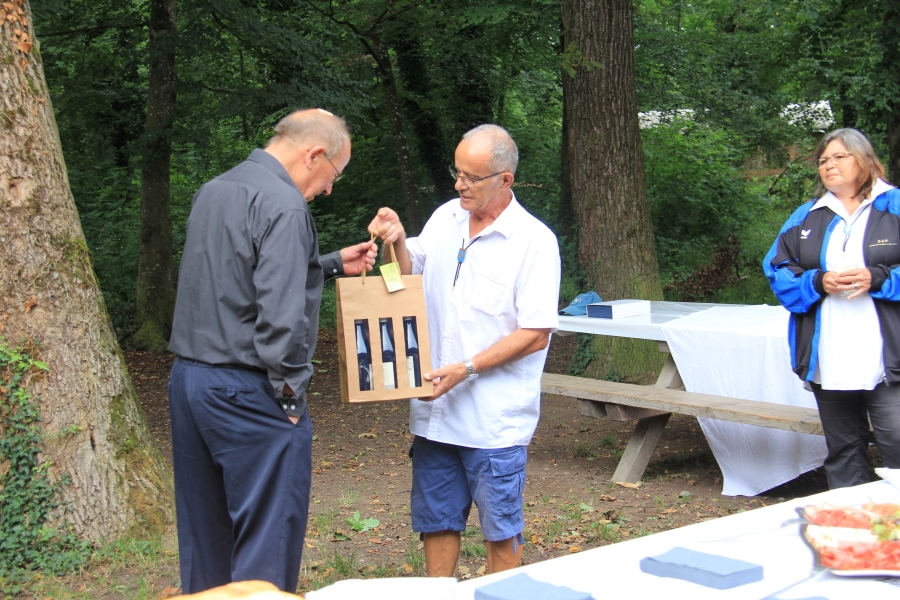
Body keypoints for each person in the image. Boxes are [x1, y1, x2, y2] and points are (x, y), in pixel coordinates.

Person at [167, 108, 376, 593]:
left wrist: (325, 265)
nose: (329, 188)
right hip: (247, 391)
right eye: (334, 175)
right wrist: (290, 398)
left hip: (188, 385)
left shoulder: (215, 189)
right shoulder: (284, 204)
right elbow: (281, 321)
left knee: (205, 537)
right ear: (314, 153)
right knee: (266, 540)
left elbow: (235, 281)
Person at [368, 124, 561, 575]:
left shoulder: (534, 242)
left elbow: (536, 332)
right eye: (457, 173)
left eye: (471, 177)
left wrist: (466, 369)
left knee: (500, 528)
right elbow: (407, 275)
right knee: (436, 521)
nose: (459, 185)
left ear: (505, 180)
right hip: (435, 414)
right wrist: (396, 239)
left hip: (492, 420)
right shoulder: (445, 218)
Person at [764, 127, 900, 489]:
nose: (829, 165)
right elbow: (777, 270)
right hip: (831, 355)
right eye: (823, 160)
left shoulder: (895, 206)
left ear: (866, 160)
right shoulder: (807, 216)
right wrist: (817, 282)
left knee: (898, 444)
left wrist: (879, 278)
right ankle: (852, 533)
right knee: (843, 451)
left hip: (889, 357)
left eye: (839, 157)